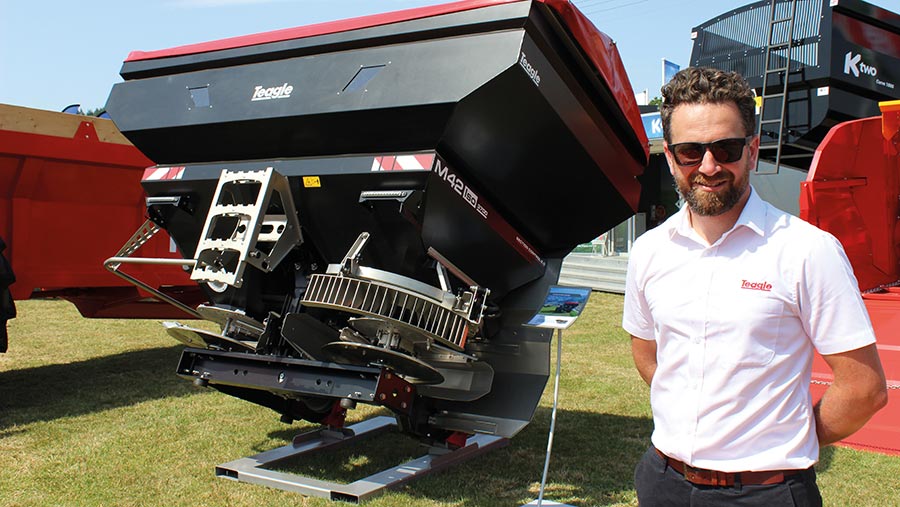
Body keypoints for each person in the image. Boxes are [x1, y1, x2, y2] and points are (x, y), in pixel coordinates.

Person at [622, 67, 887, 506]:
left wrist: (787, 439)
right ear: (670, 157)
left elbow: (864, 388)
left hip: (765, 492)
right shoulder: (650, 251)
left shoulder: (807, 251)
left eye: (725, 148)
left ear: (752, 149)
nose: (708, 166)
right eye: (691, 151)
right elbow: (649, 356)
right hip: (662, 481)